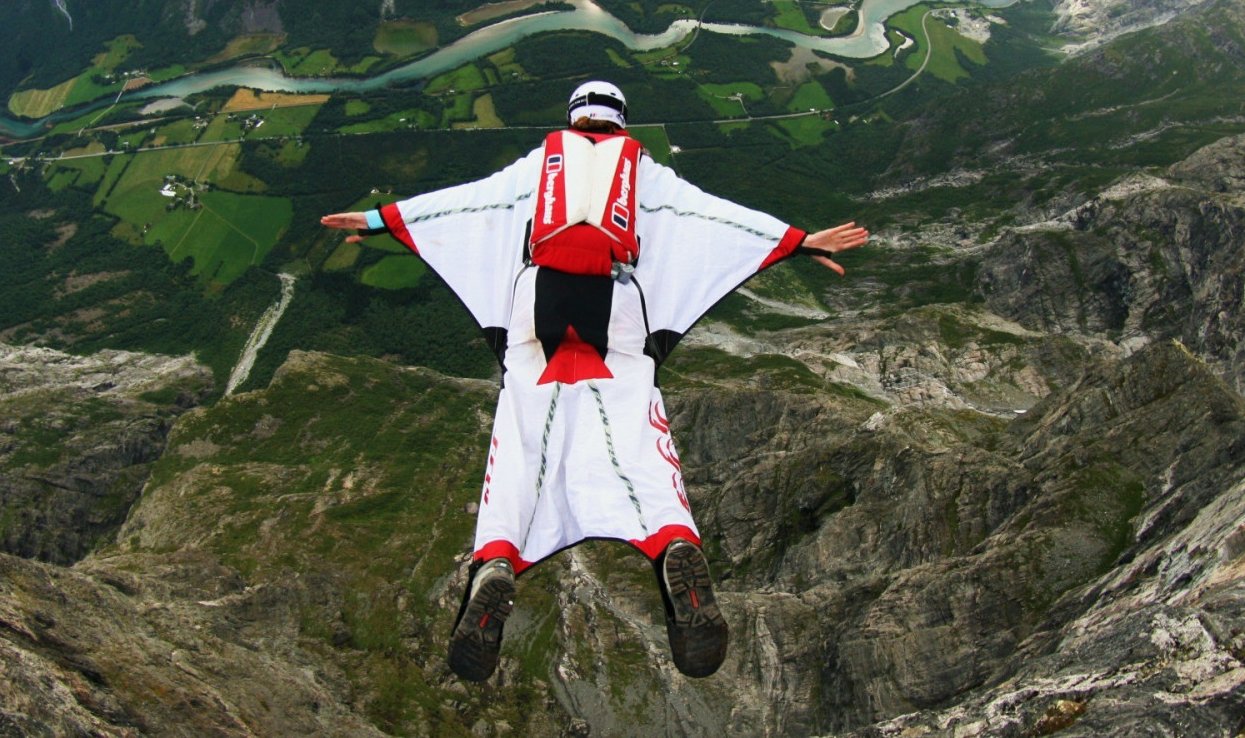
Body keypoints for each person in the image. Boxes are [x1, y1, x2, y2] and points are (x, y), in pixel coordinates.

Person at [321, 80, 868, 681]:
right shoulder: (644, 173)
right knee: (636, 429)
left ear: (573, 118)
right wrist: (797, 242)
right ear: (622, 122)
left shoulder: (541, 164)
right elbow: (713, 217)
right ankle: (672, 541)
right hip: (615, 307)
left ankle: (497, 560)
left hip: (538, 306)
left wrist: (383, 220)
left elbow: (467, 204)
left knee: (520, 434)